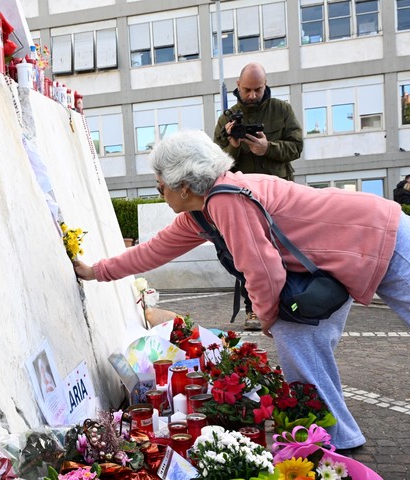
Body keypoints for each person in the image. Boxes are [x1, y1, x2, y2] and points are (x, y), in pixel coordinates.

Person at [74, 130, 410, 451]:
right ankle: (336, 437)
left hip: (384, 235)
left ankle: (333, 436)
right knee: (298, 337)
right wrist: (96, 272)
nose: (160, 191)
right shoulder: (203, 211)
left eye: (161, 186)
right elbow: (154, 250)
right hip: (353, 250)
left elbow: (262, 270)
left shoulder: (226, 201)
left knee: (289, 330)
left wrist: (267, 315)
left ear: (186, 186)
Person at [213, 62, 304, 332]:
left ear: (265, 86)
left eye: (258, 89)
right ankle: (253, 308)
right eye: (247, 90)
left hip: (279, 196)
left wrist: (268, 148)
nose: (252, 95)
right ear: (237, 87)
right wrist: (232, 145)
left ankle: (292, 303)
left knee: (285, 252)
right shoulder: (227, 118)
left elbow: (296, 146)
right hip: (242, 199)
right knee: (247, 255)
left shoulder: (282, 110)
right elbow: (215, 162)